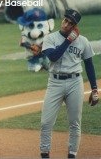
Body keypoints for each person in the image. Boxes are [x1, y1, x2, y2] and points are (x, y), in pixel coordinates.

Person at [39, 9, 99, 158]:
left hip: (75, 83)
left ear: (75, 26)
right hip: (55, 83)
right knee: (46, 122)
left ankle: (72, 155)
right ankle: (45, 154)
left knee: (75, 123)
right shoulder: (50, 38)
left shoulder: (83, 41)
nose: (66, 24)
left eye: (70, 23)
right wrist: (68, 41)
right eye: (65, 20)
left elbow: (89, 65)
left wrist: (94, 89)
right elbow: (53, 57)